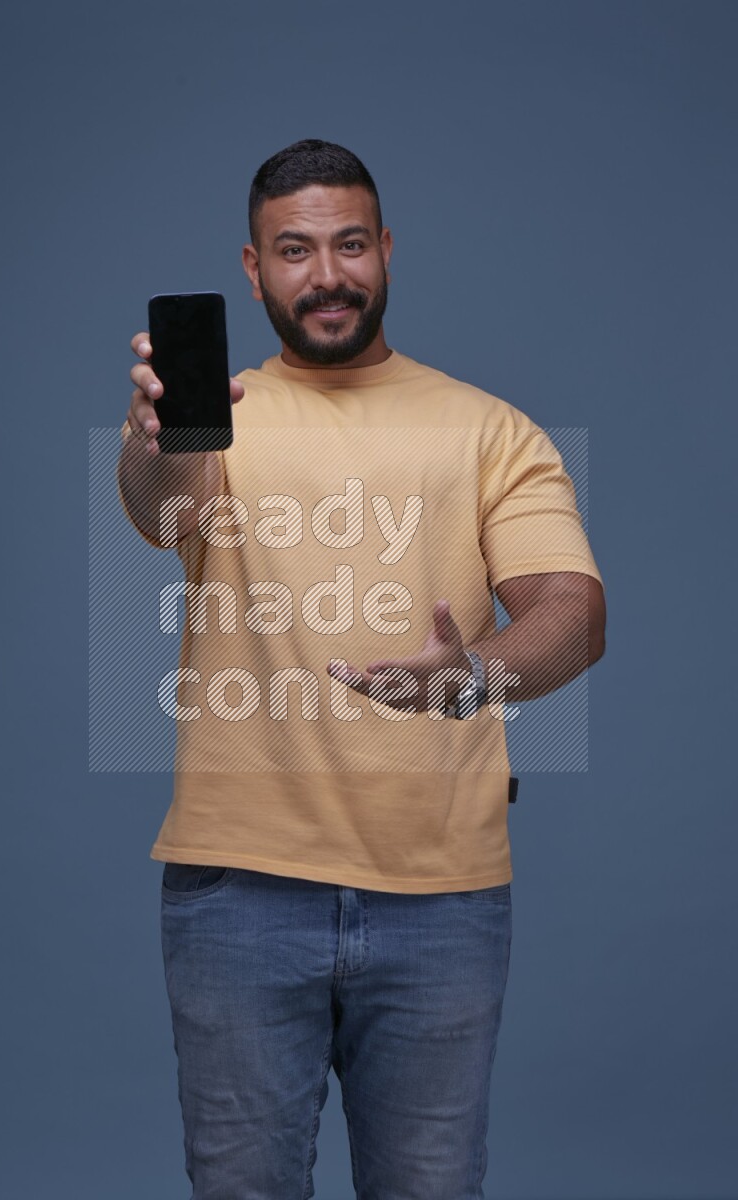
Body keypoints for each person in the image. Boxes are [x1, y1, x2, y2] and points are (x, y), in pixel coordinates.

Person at [117, 139, 606, 1199]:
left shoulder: (489, 430)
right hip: (237, 892)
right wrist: (158, 440)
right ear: (253, 268)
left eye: (349, 244)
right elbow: (161, 513)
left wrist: (471, 676)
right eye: (295, 250)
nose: (326, 274)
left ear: (385, 249)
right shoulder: (210, 420)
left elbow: (572, 616)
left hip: (441, 897)